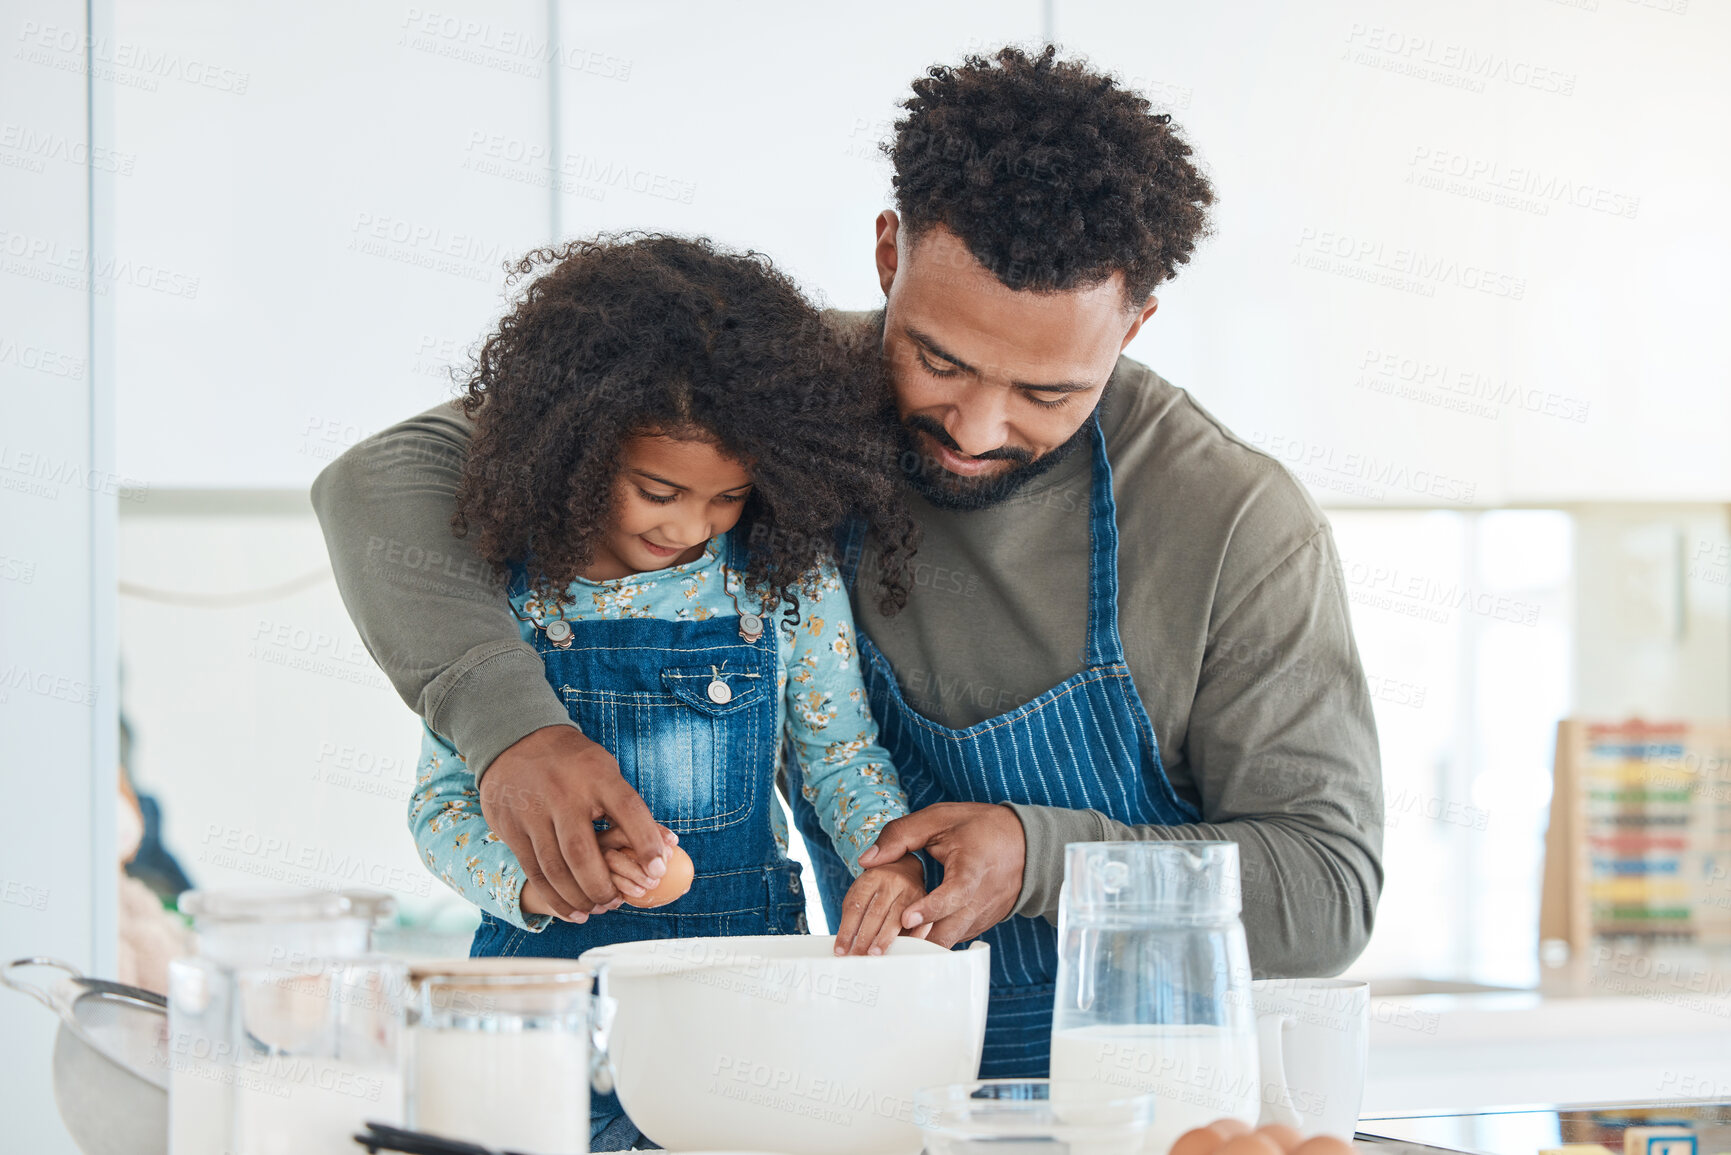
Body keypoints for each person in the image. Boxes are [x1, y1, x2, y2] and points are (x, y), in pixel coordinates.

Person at [313, 47, 1384, 1080]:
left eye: (1048, 394)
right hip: (859, 1094)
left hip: (1140, 1111)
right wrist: (513, 732)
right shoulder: (768, 401)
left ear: (1137, 323)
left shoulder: (1233, 519)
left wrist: (1043, 855)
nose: (975, 425)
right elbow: (383, 479)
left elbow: (1328, 889)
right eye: (938, 358)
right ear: (888, 256)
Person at [393, 234, 928, 1146]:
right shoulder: (504, 598)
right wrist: (537, 884)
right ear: (574, 445)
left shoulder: (779, 583)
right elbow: (441, 807)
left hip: (740, 995)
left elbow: (838, 754)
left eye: (728, 500)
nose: (692, 526)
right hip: (539, 1004)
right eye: (657, 490)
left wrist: (890, 857)